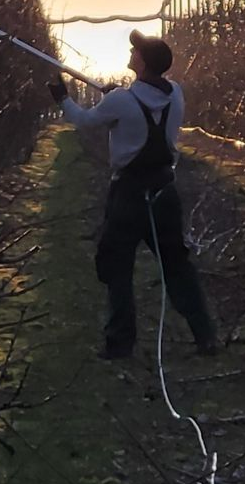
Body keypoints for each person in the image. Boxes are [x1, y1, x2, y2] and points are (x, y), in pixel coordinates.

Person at [49, 30, 218, 361]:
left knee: (117, 267)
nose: (131, 50)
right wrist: (118, 98)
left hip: (128, 193)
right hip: (164, 192)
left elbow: (84, 121)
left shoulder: (121, 100)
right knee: (177, 266)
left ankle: (119, 344)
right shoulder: (176, 95)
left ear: (143, 62)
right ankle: (206, 336)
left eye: (136, 50)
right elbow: (141, 104)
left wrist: (61, 98)